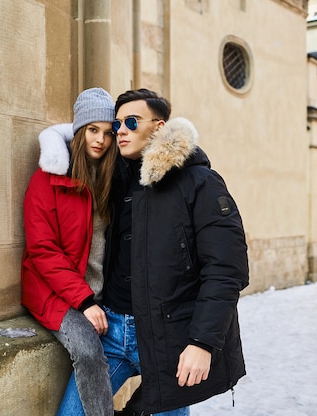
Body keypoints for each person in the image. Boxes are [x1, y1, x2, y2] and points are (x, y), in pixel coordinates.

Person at [42, 88, 249, 416]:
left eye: (131, 122)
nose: (119, 131)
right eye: (117, 124)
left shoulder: (201, 183)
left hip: (170, 338)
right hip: (110, 331)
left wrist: (202, 342)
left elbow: (226, 270)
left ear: (159, 127)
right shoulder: (117, 179)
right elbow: (82, 140)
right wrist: (52, 142)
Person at [20, 87, 119, 416]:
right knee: (89, 350)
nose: (100, 140)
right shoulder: (46, 180)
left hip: (97, 293)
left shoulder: (110, 179)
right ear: (79, 131)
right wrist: (85, 301)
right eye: (93, 130)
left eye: (107, 133)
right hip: (54, 292)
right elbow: (42, 250)